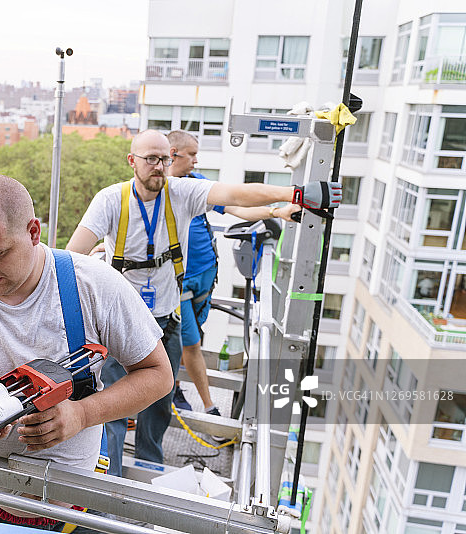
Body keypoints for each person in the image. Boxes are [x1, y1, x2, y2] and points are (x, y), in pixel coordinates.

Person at [0, 174, 173, 529]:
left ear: (34, 232)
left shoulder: (94, 286)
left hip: (80, 510)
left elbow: (158, 375)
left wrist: (81, 415)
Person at [66, 130, 341, 473]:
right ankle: (110, 480)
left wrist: (294, 195)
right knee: (112, 405)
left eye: (164, 159)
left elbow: (235, 193)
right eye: (151, 159)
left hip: (164, 320)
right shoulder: (110, 200)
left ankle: (151, 469)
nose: (158, 167)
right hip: (119, 323)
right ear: (132, 161)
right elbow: (72, 255)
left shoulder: (181, 192)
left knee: (159, 400)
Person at [166, 130, 298, 418]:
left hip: (203, 276)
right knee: (191, 343)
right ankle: (209, 405)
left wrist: (276, 212)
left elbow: (238, 205)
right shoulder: (163, 190)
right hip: (179, 282)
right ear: (173, 153)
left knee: (187, 338)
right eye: (192, 154)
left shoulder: (198, 184)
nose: (196, 160)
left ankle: (174, 384)